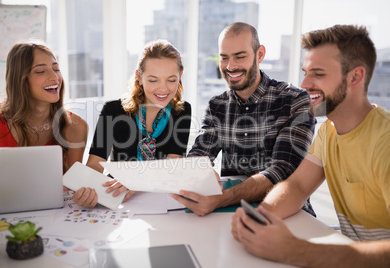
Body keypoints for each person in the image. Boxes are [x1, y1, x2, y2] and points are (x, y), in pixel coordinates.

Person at [231, 24, 390, 267]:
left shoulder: (385, 141)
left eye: (318, 73)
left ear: (355, 77)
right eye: (305, 72)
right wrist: (260, 217)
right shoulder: (329, 131)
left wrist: (295, 250)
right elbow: (296, 186)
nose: (304, 83)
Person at [170, 22, 316, 216]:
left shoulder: (294, 100)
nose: (230, 66)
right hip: (229, 214)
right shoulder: (217, 106)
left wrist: (223, 198)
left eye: (240, 56)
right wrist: (199, 172)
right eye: (224, 58)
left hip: (287, 215)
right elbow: (199, 155)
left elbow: (282, 171)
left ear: (260, 54)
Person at [73, 39, 192, 208]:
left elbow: (173, 165)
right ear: (139, 76)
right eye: (153, 80)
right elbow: (95, 164)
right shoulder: (113, 110)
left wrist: (137, 180)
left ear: (180, 75)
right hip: (118, 198)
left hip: (161, 199)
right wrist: (87, 189)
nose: (163, 89)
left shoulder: (182, 111)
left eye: (171, 80)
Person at [0, 40, 88, 176]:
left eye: (56, 69)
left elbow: (73, 187)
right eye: (41, 71)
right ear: (20, 79)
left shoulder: (75, 126)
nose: (55, 77)